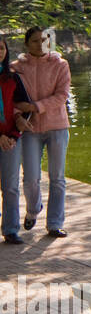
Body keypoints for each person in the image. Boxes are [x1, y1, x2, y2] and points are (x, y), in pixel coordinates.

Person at [12, 27, 71, 238]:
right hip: (29, 130)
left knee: (57, 178)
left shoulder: (60, 64)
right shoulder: (15, 68)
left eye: (44, 40)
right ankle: (33, 210)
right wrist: (19, 115)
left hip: (57, 126)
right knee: (30, 178)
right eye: (35, 41)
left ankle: (55, 224)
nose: (40, 44)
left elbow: (62, 95)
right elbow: (11, 100)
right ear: (27, 44)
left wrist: (36, 106)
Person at [1, 39, 33, 245]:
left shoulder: (13, 77)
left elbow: (25, 107)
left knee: (10, 186)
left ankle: (11, 229)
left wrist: (13, 134)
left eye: (1, 48)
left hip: (11, 139)